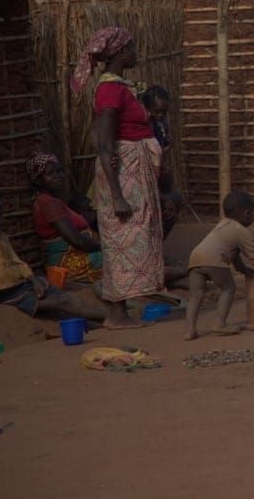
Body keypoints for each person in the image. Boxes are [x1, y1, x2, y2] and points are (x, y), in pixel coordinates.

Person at [73, 25, 166, 329]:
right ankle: (117, 314)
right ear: (122, 52)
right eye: (133, 47)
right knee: (123, 240)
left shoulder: (117, 87)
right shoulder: (110, 90)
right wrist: (116, 193)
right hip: (123, 175)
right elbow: (103, 142)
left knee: (129, 240)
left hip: (130, 173)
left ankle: (119, 313)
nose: (136, 52)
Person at [185, 190, 254, 339]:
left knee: (195, 296)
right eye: (253, 214)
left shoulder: (222, 225)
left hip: (195, 258)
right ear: (246, 213)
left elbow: (234, 255)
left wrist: (243, 270)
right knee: (228, 288)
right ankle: (220, 324)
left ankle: (190, 330)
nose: (253, 217)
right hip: (214, 260)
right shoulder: (241, 231)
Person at [0, 199, 104, 321]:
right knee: (63, 301)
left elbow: (18, 262)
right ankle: (108, 317)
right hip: (7, 295)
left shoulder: (2, 237)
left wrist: (33, 280)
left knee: (57, 294)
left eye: (1, 215)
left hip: (21, 286)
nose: (1, 220)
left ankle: (94, 321)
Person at [27, 153, 103, 283]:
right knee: (120, 258)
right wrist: (107, 247)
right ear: (37, 180)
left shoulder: (50, 200)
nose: (58, 176)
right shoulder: (48, 203)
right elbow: (77, 240)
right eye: (51, 173)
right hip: (70, 261)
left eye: (59, 171)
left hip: (74, 257)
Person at [141, 85, 181, 237]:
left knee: (174, 201)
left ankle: (157, 245)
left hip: (155, 176)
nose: (160, 115)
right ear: (146, 107)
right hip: (142, 176)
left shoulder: (160, 126)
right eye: (157, 111)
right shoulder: (139, 126)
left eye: (164, 112)